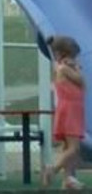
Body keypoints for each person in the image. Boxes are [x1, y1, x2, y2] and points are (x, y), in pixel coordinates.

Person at [43, 35, 86, 190]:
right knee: (74, 148)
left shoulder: (59, 67)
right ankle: (52, 169)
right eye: (72, 56)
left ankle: (68, 178)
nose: (75, 59)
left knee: (68, 146)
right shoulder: (64, 69)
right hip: (71, 110)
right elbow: (81, 82)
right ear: (63, 55)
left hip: (68, 108)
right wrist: (76, 68)